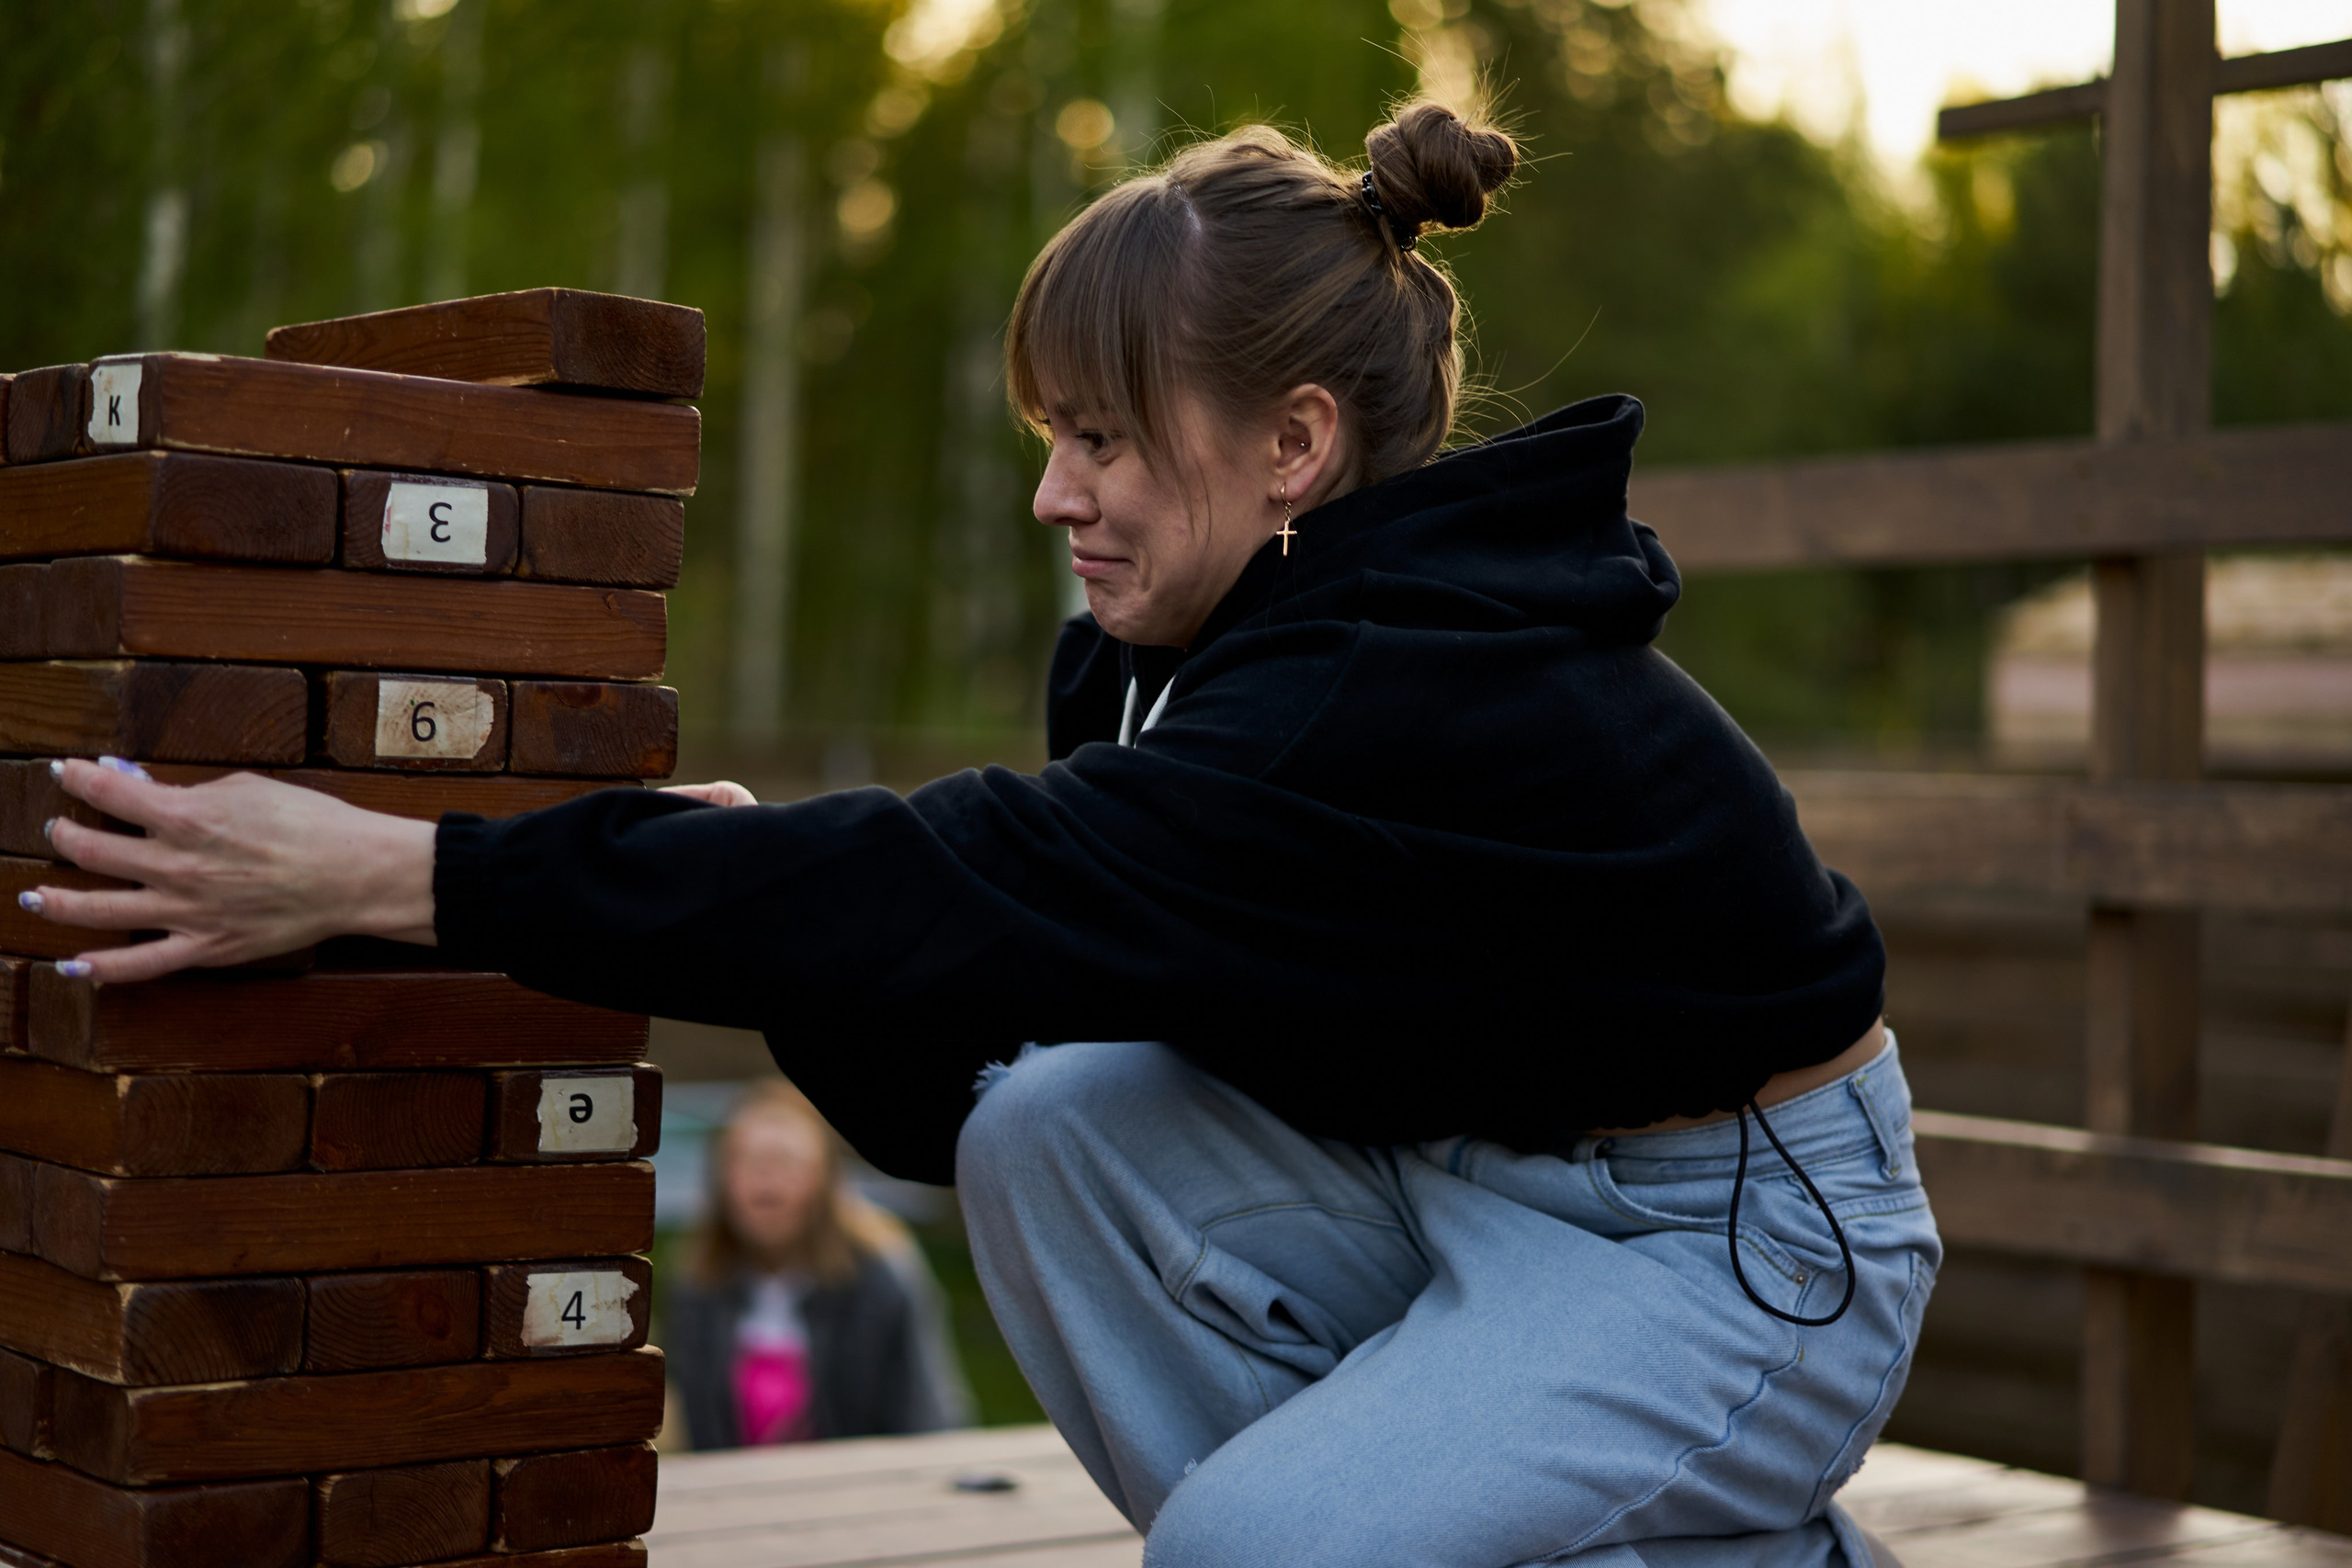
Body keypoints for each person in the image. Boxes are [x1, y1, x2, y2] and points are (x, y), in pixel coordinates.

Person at [28, 98, 1937, 1567]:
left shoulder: (1383, 690)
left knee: (1250, 1547)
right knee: (1045, 1121)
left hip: (1741, 1236)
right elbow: (967, 1034)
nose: (1053, 496)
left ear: (1289, 446)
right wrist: (762, 923)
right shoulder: (1153, 664)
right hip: (1459, 1166)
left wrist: (392, 873)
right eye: (1048, 437)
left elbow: (956, 872)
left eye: (1101, 438)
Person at [665, 1080, 972, 1449]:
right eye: (749, 1160)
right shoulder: (699, 1284)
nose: (767, 1176)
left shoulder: (880, 1275)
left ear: (822, 1178)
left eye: (785, 1161)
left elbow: (927, 1417)